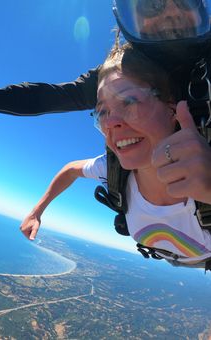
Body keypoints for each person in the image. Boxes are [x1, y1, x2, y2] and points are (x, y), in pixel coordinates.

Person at [20, 42, 211, 269]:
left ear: (173, 108)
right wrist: (36, 212)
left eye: (129, 102)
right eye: (102, 112)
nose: (110, 123)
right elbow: (71, 169)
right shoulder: (114, 172)